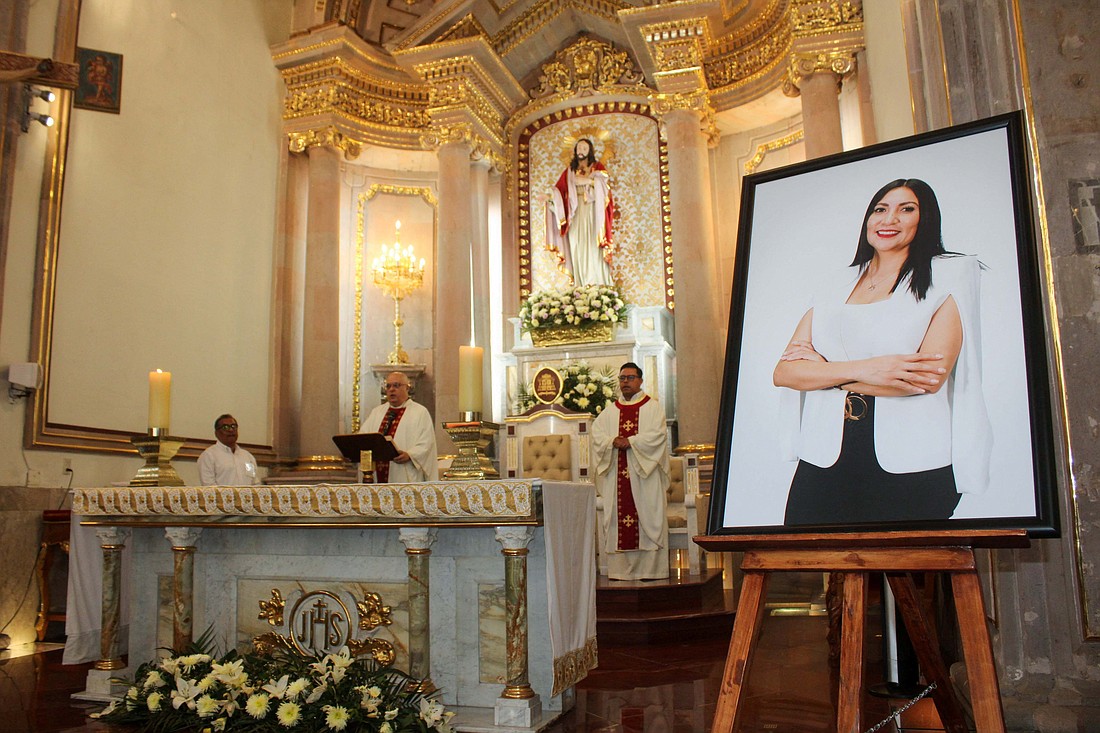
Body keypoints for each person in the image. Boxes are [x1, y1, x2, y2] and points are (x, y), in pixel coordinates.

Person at [773, 178, 991, 525]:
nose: (889, 219)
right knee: (811, 558)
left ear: (925, 220)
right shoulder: (834, 283)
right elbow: (785, 373)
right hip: (825, 455)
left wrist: (827, 373)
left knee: (906, 570)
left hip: (912, 459)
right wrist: (871, 369)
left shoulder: (947, 276)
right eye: (880, 209)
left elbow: (924, 380)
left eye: (907, 209)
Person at [592, 362, 670, 580]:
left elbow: (658, 436)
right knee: (619, 520)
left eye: (630, 378)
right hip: (617, 474)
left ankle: (653, 570)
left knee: (648, 515)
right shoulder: (609, 412)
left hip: (644, 476)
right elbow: (596, 435)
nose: (625, 382)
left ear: (640, 380)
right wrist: (611, 441)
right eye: (622, 378)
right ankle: (619, 571)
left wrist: (631, 441)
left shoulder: (653, 408)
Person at [545, 138, 615, 287]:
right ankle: (580, 284)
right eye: (579, 148)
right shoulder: (569, 172)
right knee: (576, 246)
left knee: (593, 247)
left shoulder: (597, 167)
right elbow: (559, 193)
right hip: (575, 215)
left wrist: (589, 182)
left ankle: (597, 284)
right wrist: (549, 198)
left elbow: (604, 191)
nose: (581, 150)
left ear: (589, 151)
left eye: (584, 148)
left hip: (592, 214)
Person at [360, 372, 438, 483]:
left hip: (404, 473)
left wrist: (410, 455)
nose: (391, 389)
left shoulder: (419, 412)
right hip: (377, 474)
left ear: (407, 388)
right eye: (388, 386)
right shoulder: (377, 412)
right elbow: (364, 437)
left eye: (396, 385)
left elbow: (427, 442)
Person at [197, 414, 260, 486]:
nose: (231, 430)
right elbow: (208, 486)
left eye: (233, 426)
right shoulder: (209, 456)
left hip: (246, 497)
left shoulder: (247, 457)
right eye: (225, 427)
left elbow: (254, 482)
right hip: (221, 497)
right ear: (216, 433)